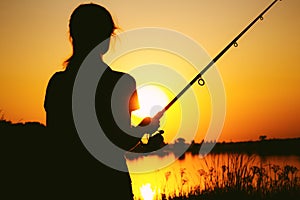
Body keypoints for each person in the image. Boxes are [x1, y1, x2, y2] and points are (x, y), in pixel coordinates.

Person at [44, 3, 162, 199]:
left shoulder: (57, 83)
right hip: (111, 186)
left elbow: (56, 141)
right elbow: (118, 142)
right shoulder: (122, 82)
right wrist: (144, 129)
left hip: (64, 185)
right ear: (107, 39)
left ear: (73, 36)